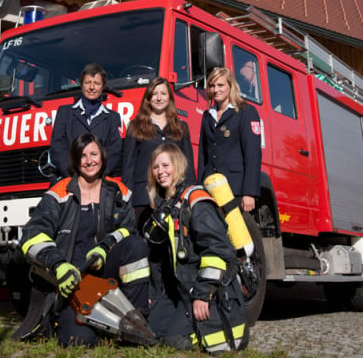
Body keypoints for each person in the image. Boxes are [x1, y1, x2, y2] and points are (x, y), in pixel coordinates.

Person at [20, 133, 150, 347]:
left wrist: (105, 248)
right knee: (78, 340)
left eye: (94, 154)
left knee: (136, 246)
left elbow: (128, 231)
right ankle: (94, 323)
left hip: (107, 273)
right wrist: (58, 266)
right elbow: (31, 236)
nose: (89, 161)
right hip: (73, 281)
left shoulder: (118, 192)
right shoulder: (59, 194)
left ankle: (136, 320)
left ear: (103, 156)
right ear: (74, 159)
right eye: (82, 155)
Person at [145, 143, 249, 353]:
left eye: (166, 165)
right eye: (155, 167)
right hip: (182, 289)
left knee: (175, 340)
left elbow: (217, 251)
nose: (160, 172)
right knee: (151, 331)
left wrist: (203, 295)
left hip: (203, 289)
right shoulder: (169, 203)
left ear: (178, 166)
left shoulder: (195, 200)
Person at [121, 76, 196, 230]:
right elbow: (128, 167)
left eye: (163, 93)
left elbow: (188, 164)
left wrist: (191, 195)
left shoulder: (181, 126)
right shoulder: (135, 126)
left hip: (174, 196)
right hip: (144, 197)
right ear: (148, 99)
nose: (159, 98)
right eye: (154, 94)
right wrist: (127, 200)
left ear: (169, 97)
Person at [198, 67, 261, 213]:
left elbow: (252, 155)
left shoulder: (245, 112)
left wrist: (249, 192)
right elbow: (203, 155)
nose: (216, 90)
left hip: (235, 188)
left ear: (230, 86)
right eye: (212, 86)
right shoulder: (207, 116)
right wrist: (200, 187)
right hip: (210, 188)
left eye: (221, 85)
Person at [50, 62, 122, 179]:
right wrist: (73, 176)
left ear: (103, 87)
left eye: (97, 83)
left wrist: (97, 175)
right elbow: (57, 147)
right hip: (69, 181)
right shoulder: (64, 113)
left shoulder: (113, 118)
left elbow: (115, 151)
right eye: (88, 82)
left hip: (100, 183)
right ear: (81, 85)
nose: (92, 87)